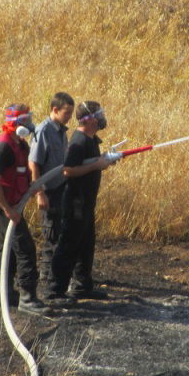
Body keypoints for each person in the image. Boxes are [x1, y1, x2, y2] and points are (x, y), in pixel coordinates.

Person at [45, 100, 117, 306]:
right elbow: (68, 170)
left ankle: (82, 286)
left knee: (86, 244)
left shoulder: (91, 139)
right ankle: (54, 292)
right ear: (90, 119)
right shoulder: (78, 142)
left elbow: (93, 164)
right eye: (100, 114)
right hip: (76, 201)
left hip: (87, 201)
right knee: (68, 244)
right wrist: (97, 165)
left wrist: (104, 161)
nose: (103, 117)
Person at [0, 104, 50, 316]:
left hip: (13, 202)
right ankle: (27, 297)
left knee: (7, 246)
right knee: (25, 247)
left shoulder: (21, 144)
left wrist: (35, 186)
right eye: (25, 120)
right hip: (2, 203)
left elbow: (25, 170)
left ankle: (3, 292)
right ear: (14, 124)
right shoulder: (2, 148)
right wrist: (8, 209)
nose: (30, 124)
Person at [28, 92, 75, 286]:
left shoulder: (61, 130)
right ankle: (48, 278)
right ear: (55, 110)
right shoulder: (44, 130)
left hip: (61, 188)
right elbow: (34, 164)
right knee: (51, 235)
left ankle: (56, 275)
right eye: (66, 112)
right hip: (49, 190)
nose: (69, 117)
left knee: (60, 233)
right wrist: (40, 193)